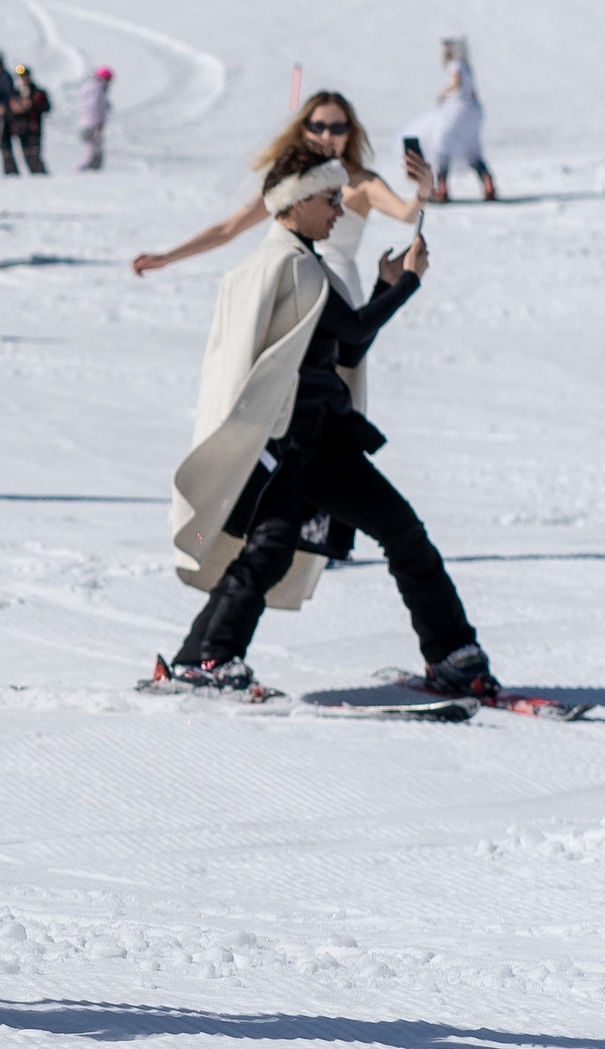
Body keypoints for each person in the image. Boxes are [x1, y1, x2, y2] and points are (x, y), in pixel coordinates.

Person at [159, 147, 498, 701]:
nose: (340, 211)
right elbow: (353, 334)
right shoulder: (286, 264)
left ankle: (454, 655)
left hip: (319, 441)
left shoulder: (303, 264)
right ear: (293, 203)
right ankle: (207, 659)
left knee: (400, 530)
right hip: (281, 444)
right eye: (329, 199)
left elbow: (344, 334)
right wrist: (407, 283)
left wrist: (391, 288)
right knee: (271, 548)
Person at [131, 92, 428, 298]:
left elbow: (406, 213)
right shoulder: (289, 182)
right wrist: (167, 257)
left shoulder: (362, 183)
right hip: (291, 281)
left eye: (337, 127)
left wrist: (423, 191)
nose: (327, 136)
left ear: (350, 132)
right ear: (304, 129)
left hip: (337, 286)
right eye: (318, 126)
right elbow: (229, 228)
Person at [409, 35, 495, 202]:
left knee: (442, 146)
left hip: (457, 111)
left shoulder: (454, 66)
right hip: (473, 111)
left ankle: (442, 188)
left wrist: (443, 94)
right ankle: (488, 183)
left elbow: (456, 84)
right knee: (472, 150)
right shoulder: (467, 67)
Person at [0, 65, 49, 174]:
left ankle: (43, 179)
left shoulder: (37, 92)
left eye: (25, 76)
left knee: (35, 158)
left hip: (33, 129)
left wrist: (32, 104)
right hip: (20, 129)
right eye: (21, 77)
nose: (23, 79)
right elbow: (10, 111)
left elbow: (46, 107)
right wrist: (16, 108)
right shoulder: (16, 93)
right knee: (27, 157)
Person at [77, 66, 113, 171]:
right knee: (93, 154)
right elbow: (94, 106)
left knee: (92, 152)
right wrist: (98, 123)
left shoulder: (90, 87)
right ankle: (83, 174)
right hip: (93, 124)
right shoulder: (97, 88)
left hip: (87, 123)